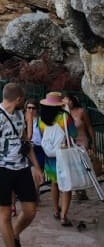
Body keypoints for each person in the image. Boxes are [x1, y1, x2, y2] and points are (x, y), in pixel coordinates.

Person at [0, 82, 45, 247]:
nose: (24, 102)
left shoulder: (19, 115)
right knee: (4, 215)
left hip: (21, 168)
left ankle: (15, 234)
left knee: (30, 210)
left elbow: (25, 142)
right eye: (23, 99)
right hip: (2, 170)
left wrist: (36, 167)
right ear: (18, 99)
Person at [38, 91, 77, 226]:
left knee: (54, 183)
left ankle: (56, 210)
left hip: (50, 157)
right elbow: (73, 134)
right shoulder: (64, 117)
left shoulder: (41, 119)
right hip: (63, 155)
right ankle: (63, 215)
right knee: (67, 186)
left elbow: (42, 135)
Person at [61, 92, 95, 201]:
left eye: (69, 100)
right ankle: (78, 189)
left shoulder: (81, 111)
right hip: (70, 142)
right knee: (73, 165)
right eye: (66, 100)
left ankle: (82, 188)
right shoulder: (64, 113)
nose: (68, 103)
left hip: (82, 140)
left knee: (82, 165)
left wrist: (93, 142)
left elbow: (89, 126)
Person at [25, 99, 45, 197]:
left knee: (36, 174)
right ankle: (33, 196)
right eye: (29, 108)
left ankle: (35, 195)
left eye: (33, 108)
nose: (31, 110)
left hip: (38, 149)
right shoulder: (23, 120)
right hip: (27, 149)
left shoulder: (41, 121)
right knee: (30, 174)